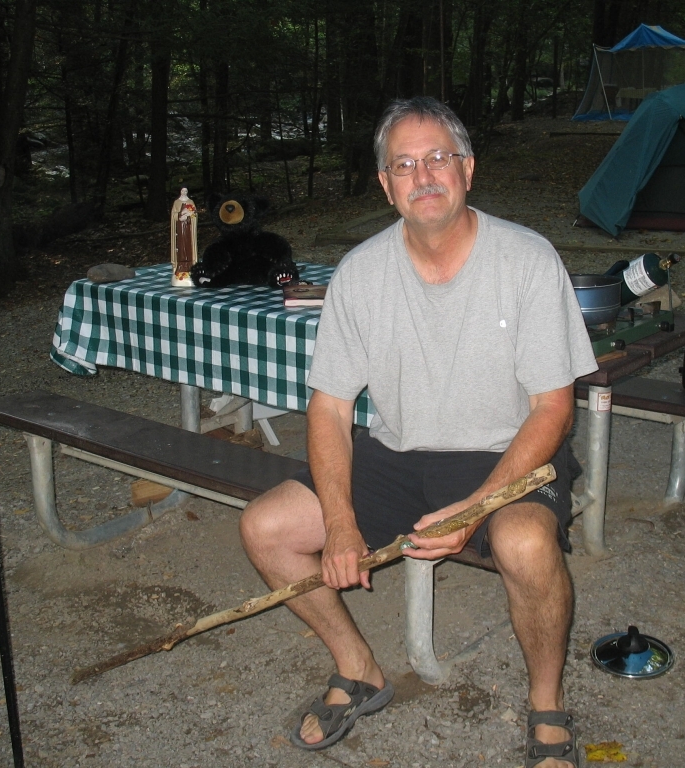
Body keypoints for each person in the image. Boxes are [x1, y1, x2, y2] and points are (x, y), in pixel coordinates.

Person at [239, 96, 597, 767]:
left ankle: (546, 704)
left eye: (438, 158)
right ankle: (359, 669)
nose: (424, 175)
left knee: (523, 543)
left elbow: (553, 409)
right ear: (385, 184)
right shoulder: (360, 273)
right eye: (404, 164)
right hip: (398, 453)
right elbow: (329, 409)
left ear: (467, 169)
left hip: (504, 450)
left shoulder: (527, 260)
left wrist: (477, 507)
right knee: (266, 528)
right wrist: (341, 521)